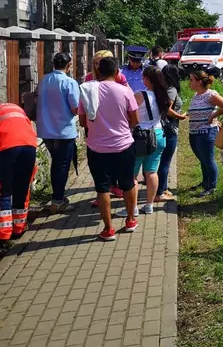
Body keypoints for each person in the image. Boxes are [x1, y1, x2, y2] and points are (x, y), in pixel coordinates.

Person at [78, 57, 139, 240]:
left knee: (102, 188)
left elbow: (82, 122)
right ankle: (130, 220)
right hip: (124, 145)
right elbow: (135, 120)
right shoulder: (125, 91)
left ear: (98, 72)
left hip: (96, 147)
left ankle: (108, 229)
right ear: (116, 72)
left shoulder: (87, 91)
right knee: (128, 183)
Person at [36, 52, 80, 213]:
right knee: (61, 166)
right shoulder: (69, 82)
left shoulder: (43, 80)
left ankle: (57, 196)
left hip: (46, 130)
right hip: (63, 131)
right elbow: (75, 108)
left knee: (56, 164)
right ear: (68, 66)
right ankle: (58, 201)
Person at [187, 71, 223, 197]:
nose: (189, 82)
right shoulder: (196, 95)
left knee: (208, 159)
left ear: (199, 82)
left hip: (206, 132)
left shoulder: (210, 94)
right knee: (202, 159)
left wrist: (213, 116)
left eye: (191, 79)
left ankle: (212, 186)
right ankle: (205, 182)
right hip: (194, 132)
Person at [133, 66, 170, 214]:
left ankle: (133, 207)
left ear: (147, 79)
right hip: (158, 134)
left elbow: (130, 115)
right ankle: (149, 205)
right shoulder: (162, 95)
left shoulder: (140, 95)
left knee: (133, 174)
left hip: (141, 136)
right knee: (151, 172)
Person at [0, 103, 38, 240]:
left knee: (4, 190)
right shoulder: (16, 109)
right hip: (29, 145)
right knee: (21, 188)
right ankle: (18, 229)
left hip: (7, 147)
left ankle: (4, 234)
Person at [156, 65, 186, 202]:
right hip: (169, 128)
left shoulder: (162, 88)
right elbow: (167, 109)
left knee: (162, 160)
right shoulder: (171, 90)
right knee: (165, 161)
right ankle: (160, 191)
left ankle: (164, 188)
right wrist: (180, 116)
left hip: (164, 128)